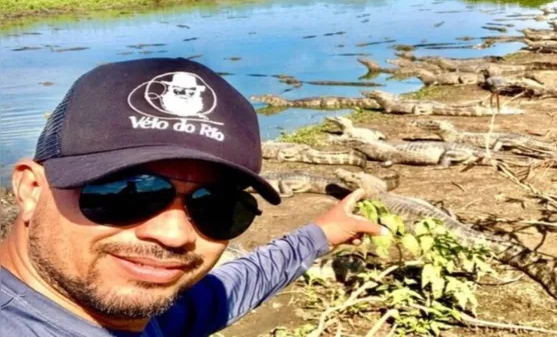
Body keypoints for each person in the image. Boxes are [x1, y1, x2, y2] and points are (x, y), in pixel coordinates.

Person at [0, 58, 386, 336]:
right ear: (32, 190)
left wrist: (321, 234)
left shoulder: (138, 310)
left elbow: (228, 290)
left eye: (214, 206)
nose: (175, 235)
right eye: (123, 193)